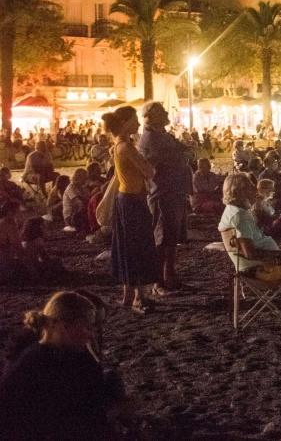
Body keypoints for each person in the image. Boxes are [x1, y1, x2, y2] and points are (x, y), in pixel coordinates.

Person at [0, 291, 126, 440]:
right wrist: (115, 411)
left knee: (111, 379)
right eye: (87, 327)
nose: (91, 334)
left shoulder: (72, 352)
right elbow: (65, 422)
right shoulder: (40, 364)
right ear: (62, 326)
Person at [217, 173, 281, 319]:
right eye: (250, 187)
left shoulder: (234, 211)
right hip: (261, 270)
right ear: (240, 191)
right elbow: (250, 253)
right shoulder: (239, 216)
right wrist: (280, 256)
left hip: (257, 265)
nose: (255, 190)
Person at [104, 106, 160, 315]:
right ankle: (139, 296)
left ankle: (129, 293)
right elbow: (149, 171)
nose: (138, 123)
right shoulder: (127, 148)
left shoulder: (118, 145)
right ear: (126, 122)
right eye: (135, 119)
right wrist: (151, 161)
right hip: (133, 201)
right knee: (138, 246)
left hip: (124, 199)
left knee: (127, 246)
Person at [137, 101, 193, 293]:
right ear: (150, 116)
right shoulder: (151, 138)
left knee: (171, 238)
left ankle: (169, 275)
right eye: (161, 111)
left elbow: (181, 152)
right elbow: (171, 157)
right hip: (163, 193)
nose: (166, 112)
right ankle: (158, 281)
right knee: (162, 239)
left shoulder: (162, 135)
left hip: (173, 191)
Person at [62, 168, 90, 234]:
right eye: (85, 177)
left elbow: (89, 199)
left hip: (78, 213)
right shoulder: (70, 188)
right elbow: (79, 204)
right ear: (79, 177)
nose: (86, 179)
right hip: (71, 216)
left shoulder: (83, 187)